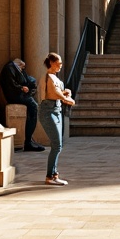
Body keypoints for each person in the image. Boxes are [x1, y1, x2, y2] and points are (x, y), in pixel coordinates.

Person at [38, 52, 74, 186]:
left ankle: (53, 174)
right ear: (52, 63)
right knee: (57, 144)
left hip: (56, 110)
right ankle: (50, 176)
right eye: (58, 63)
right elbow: (54, 93)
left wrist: (66, 93)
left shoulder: (54, 78)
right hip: (48, 111)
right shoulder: (48, 77)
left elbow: (58, 92)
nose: (60, 65)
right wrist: (66, 98)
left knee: (57, 145)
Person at [0, 57, 44, 151]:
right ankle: (28, 142)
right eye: (22, 67)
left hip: (19, 93)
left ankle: (29, 140)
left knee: (32, 82)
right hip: (14, 95)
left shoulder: (16, 68)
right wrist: (21, 88)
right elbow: (10, 84)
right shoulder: (9, 68)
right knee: (33, 106)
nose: (23, 69)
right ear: (19, 64)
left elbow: (25, 79)